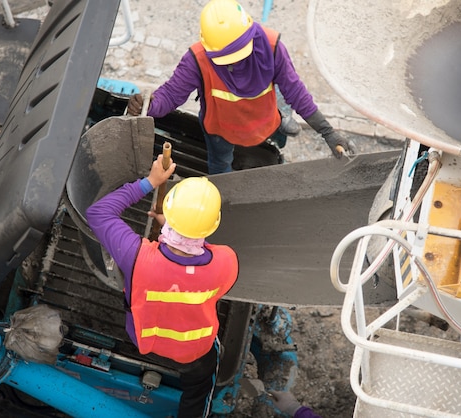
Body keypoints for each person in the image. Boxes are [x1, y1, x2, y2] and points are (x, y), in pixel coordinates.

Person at [85, 154, 239, 418]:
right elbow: (201, 261)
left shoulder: (136, 256)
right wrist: (175, 230)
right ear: (212, 225)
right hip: (195, 351)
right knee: (200, 387)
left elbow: (98, 212)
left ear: (169, 210)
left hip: (143, 338)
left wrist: (150, 182)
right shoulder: (226, 261)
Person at [126, 0, 356, 174]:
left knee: (277, 133)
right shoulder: (197, 60)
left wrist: (327, 132)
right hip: (220, 129)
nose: (236, 62)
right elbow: (171, 95)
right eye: (228, 57)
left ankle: (281, 122)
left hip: (265, 119)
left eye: (240, 53)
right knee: (220, 163)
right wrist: (147, 105)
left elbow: (295, 92)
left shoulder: (272, 47)